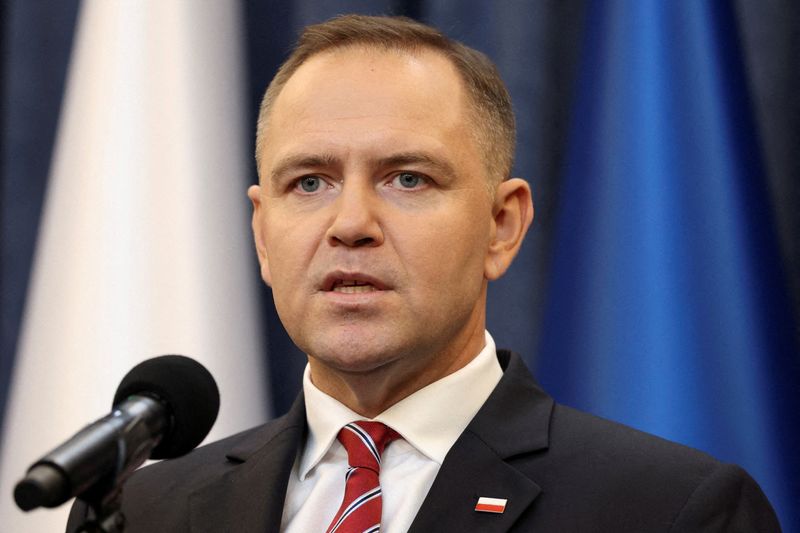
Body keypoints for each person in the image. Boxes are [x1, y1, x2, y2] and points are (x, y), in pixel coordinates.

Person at [68, 14, 780, 532]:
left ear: (502, 225)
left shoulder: (669, 510)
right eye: (309, 182)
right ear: (261, 231)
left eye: (407, 178)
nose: (350, 223)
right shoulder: (143, 512)